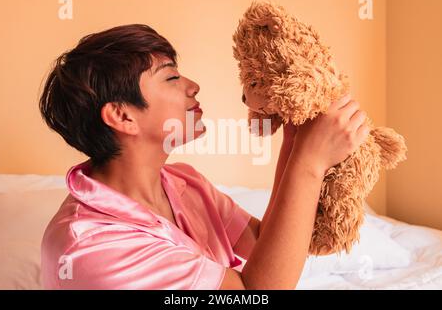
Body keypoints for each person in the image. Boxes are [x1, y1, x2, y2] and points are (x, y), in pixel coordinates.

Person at [39, 24, 369, 289]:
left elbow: (266, 248)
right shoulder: (94, 249)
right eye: (171, 77)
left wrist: (297, 136)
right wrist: (310, 163)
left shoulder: (184, 183)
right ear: (122, 116)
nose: (193, 86)